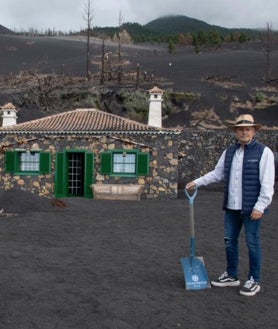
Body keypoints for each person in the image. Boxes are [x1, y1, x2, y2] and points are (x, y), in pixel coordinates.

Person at [186, 114, 275, 297]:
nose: (244, 132)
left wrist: (260, 206)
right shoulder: (229, 152)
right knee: (229, 241)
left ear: (253, 131)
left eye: (247, 129)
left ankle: (253, 280)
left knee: (253, 244)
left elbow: (267, 183)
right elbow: (217, 174)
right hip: (232, 206)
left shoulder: (263, 152)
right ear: (235, 131)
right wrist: (196, 182)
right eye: (240, 129)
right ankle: (232, 275)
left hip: (252, 208)